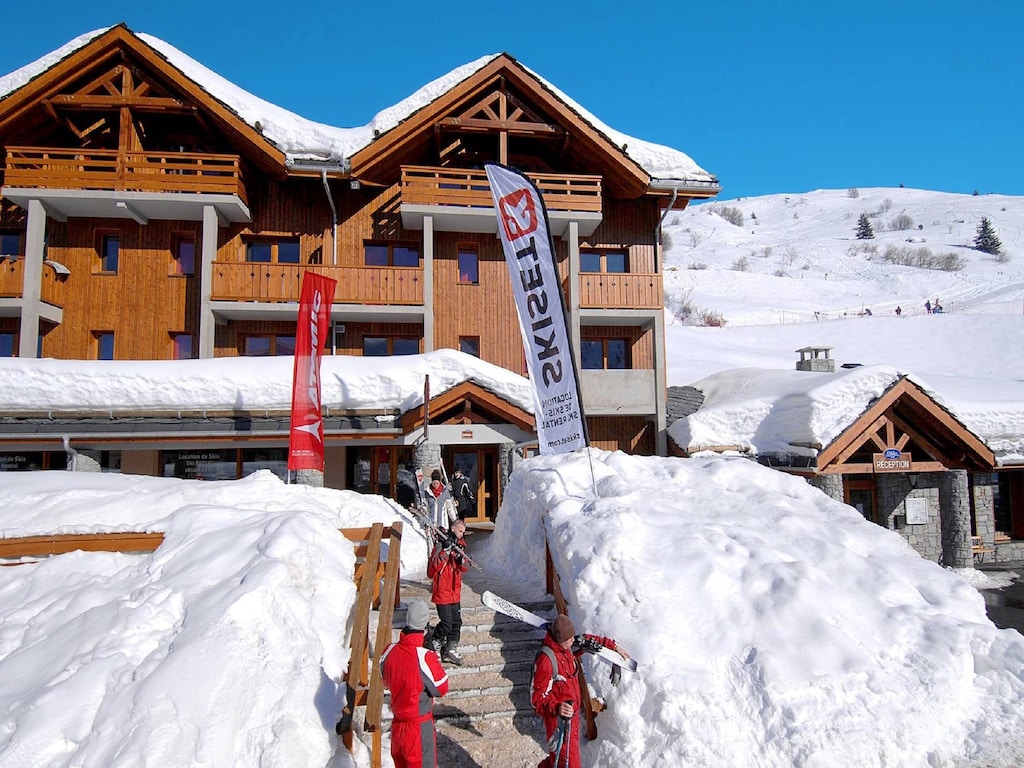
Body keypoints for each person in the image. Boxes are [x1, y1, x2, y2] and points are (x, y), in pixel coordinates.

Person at [531, 614, 629, 768]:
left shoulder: (568, 646)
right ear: (559, 639)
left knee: (558, 760)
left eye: (572, 637)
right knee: (570, 763)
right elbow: (537, 701)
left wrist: (614, 648)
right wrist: (557, 707)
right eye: (568, 639)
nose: (572, 641)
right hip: (558, 723)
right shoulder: (546, 660)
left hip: (573, 718)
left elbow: (590, 641)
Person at [379, 599, 449, 768]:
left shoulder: (389, 651)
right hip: (418, 727)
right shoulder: (423, 657)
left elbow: (385, 681)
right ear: (425, 624)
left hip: (397, 726)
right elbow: (442, 687)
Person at [426, 518, 469, 665]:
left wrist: (460, 560)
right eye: (459, 531)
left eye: (463, 532)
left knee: (456, 622)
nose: (461, 535)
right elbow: (431, 570)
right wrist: (445, 552)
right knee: (446, 623)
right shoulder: (440, 544)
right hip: (442, 591)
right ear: (452, 528)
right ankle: (434, 643)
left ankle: (450, 648)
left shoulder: (461, 545)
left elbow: (465, 567)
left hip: (454, 591)